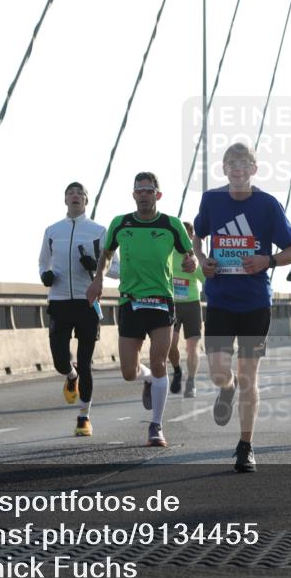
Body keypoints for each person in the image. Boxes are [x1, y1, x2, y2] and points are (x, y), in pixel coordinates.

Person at [193, 143, 291, 472]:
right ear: (224, 169)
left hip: (255, 302)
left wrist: (266, 260)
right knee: (218, 373)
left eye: (244, 164)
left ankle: (246, 446)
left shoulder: (268, 205)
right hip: (221, 299)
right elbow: (196, 237)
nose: (238, 169)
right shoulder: (211, 200)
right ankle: (226, 390)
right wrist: (202, 262)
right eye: (231, 164)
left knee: (249, 376)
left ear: (254, 169)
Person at [86, 172, 195, 447]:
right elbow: (107, 254)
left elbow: (188, 253)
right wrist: (99, 278)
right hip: (130, 302)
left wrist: (192, 262)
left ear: (158, 195)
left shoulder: (171, 225)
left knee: (159, 361)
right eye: (140, 191)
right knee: (128, 372)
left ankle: (156, 426)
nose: (144, 195)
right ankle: (147, 380)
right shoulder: (121, 223)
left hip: (161, 301)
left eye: (149, 190)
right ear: (133, 195)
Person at [38, 182, 107, 437]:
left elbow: (116, 267)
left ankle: (83, 417)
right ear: (65, 200)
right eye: (70, 193)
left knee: (86, 362)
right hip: (58, 301)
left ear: (86, 201)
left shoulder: (98, 230)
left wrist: (97, 266)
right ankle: (70, 376)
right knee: (59, 360)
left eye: (80, 194)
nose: (75, 196)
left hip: (87, 301)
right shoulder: (52, 231)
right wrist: (44, 274)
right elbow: (43, 260)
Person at [168, 221, 205, 397]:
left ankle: (191, 381)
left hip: (191, 303)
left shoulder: (194, 254)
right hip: (172, 303)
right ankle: (177, 369)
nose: (185, 236)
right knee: (170, 344)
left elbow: (205, 279)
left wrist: (196, 265)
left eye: (188, 234)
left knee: (192, 347)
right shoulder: (168, 251)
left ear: (191, 236)